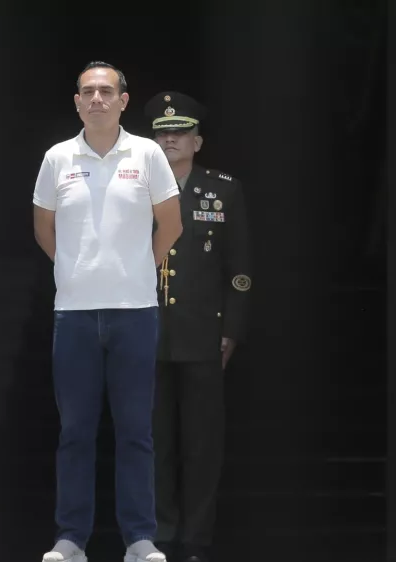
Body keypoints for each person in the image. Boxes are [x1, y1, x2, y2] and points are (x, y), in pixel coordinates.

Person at [32, 61, 184, 562]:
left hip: (134, 312)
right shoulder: (57, 158)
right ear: (76, 101)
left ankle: (139, 538)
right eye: (88, 91)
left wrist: (137, 267)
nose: (97, 98)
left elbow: (171, 226)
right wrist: (80, 270)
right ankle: (71, 538)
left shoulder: (147, 154)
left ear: (123, 99)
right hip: (73, 314)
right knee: (74, 430)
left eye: (106, 91)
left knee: (136, 430)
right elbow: (44, 231)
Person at [143, 91, 252, 562]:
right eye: (163, 133)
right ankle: (160, 534)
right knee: (153, 440)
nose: (170, 140)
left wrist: (233, 329)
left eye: (180, 133)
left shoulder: (223, 188)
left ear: (198, 140)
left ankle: (196, 539)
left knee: (202, 443)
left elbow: (240, 268)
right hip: (145, 330)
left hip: (203, 332)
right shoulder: (135, 185)